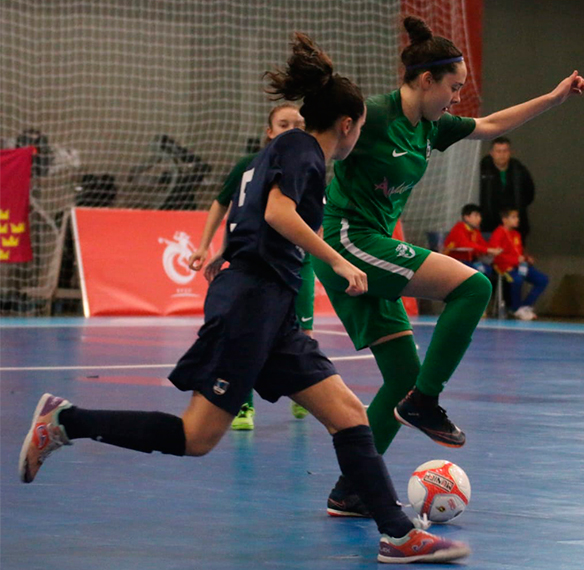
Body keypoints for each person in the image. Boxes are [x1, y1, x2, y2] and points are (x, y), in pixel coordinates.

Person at [19, 32, 470, 563]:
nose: (359, 140)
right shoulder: (303, 150)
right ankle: (66, 422)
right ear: (347, 126)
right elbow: (279, 213)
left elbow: (253, 212)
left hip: (271, 308)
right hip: (251, 306)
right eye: (361, 130)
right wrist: (338, 259)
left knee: (348, 413)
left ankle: (397, 535)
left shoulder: (285, 149)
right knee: (197, 436)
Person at [311, 15, 584, 515]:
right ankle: (424, 402)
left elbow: (494, 124)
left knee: (399, 377)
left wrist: (555, 97)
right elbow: (327, 139)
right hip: (350, 240)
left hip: (374, 245)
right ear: (424, 81)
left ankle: (351, 488)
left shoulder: (431, 127)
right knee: (473, 288)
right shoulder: (372, 115)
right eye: (452, 87)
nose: (457, 97)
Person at [189, 103, 311, 430]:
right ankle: (243, 405)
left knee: (302, 333)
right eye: (284, 124)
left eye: (299, 124)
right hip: (258, 265)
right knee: (246, 335)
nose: (292, 129)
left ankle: (305, 392)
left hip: (299, 264)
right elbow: (236, 212)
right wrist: (211, 247)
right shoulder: (250, 166)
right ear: (269, 132)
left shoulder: (310, 165)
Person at [488, 208, 549, 320]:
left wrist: (526, 258)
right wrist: (515, 260)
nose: (517, 219)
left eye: (517, 217)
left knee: (543, 279)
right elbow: (496, 255)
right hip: (504, 267)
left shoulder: (516, 234)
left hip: (519, 266)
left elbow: (518, 252)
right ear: (504, 220)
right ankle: (515, 308)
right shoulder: (499, 233)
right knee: (517, 280)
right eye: (513, 217)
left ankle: (525, 306)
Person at [479, 137, 535, 239]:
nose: (502, 155)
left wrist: (517, 210)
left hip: (515, 224)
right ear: (491, 153)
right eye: (498, 151)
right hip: (489, 224)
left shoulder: (519, 170)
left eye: (505, 151)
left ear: (510, 152)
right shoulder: (482, 170)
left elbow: (529, 193)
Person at [443, 203, 502, 277]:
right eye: (476, 215)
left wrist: (493, 249)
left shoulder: (475, 231)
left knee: (488, 270)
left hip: (469, 261)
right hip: (455, 262)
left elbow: (482, 244)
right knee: (479, 272)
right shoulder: (458, 228)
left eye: (480, 216)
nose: (479, 218)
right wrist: (488, 250)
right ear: (467, 217)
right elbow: (466, 244)